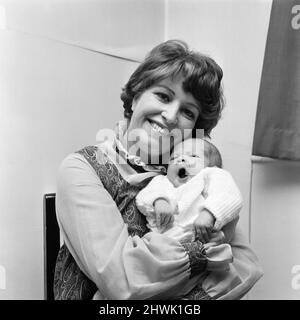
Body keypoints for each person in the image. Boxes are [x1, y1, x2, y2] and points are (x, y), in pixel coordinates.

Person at [53, 39, 263, 300]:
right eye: (163, 96)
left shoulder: (196, 176)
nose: (172, 115)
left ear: (196, 129)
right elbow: (125, 283)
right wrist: (208, 257)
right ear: (135, 97)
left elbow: (245, 265)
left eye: (188, 111)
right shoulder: (82, 169)